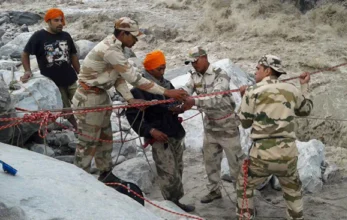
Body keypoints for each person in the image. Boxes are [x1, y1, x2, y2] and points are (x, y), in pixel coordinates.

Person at [72, 17, 188, 180]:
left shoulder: (116, 48)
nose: (135, 40)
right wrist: (167, 93)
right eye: (133, 37)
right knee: (88, 142)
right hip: (88, 97)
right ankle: (78, 178)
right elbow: (134, 79)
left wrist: (130, 99)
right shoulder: (111, 50)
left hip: (101, 94)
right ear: (123, 34)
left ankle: (105, 174)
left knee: (105, 138)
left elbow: (117, 77)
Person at [236, 55, 313, 219]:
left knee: (244, 185)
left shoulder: (252, 91)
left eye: (258, 69)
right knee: (293, 190)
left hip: (262, 156)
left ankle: (245, 216)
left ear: (267, 70)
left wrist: (244, 97)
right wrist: (304, 86)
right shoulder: (292, 89)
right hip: (288, 154)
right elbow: (306, 110)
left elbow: (244, 123)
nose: (255, 72)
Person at [126, 50, 195, 212]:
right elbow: (132, 116)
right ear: (149, 69)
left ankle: (175, 203)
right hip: (159, 138)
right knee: (168, 173)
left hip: (174, 133)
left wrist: (182, 107)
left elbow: (169, 107)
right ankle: (172, 206)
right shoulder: (139, 90)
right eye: (159, 69)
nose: (162, 72)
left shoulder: (166, 85)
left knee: (177, 169)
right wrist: (150, 131)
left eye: (164, 68)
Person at [181, 46, 245, 204]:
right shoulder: (194, 76)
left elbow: (215, 97)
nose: (194, 65)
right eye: (191, 63)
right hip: (210, 127)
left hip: (228, 126)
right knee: (210, 162)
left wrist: (193, 101)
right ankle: (214, 191)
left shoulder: (220, 74)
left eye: (195, 61)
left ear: (204, 57)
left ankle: (244, 198)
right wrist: (175, 98)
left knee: (236, 164)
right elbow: (186, 90)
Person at [21, 8, 79, 129]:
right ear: (48, 21)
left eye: (61, 20)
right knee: (65, 108)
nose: (60, 23)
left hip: (71, 78)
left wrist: (82, 73)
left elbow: (73, 55)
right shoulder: (39, 36)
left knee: (84, 102)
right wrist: (27, 70)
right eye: (56, 20)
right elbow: (25, 53)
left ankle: (87, 125)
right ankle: (77, 127)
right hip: (53, 82)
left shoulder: (66, 36)